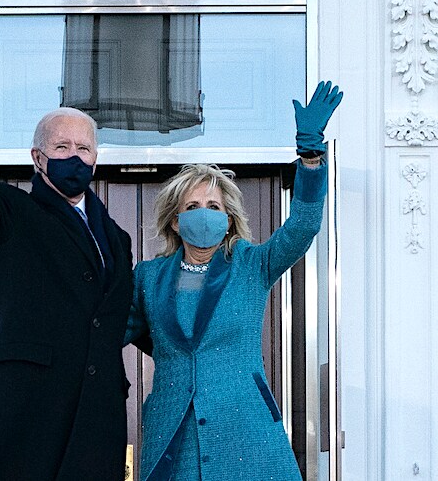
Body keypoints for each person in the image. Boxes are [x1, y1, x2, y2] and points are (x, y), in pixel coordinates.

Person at [0, 31, 137, 480]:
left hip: (96, 422)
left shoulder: (117, 239)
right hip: (27, 416)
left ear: (96, 159)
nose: (74, 157)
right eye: (61, 147)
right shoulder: (10, 211)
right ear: (38, 158)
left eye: (84, 148)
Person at [125, 81, 343, 480]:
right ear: (176, 221)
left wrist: (311, 158)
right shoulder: (148, 278)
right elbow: (104, 329)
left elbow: (303, 227)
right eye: (192, 206)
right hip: (174, 437)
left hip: (245, 433)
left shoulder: (251, 264)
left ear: (227, 221)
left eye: (213, 206)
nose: (203, 213)